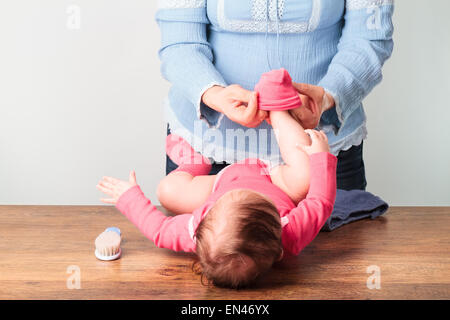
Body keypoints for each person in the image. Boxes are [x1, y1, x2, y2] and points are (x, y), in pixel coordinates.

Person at [156, 0, 394, 190]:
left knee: (339, 250)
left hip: (320, 151)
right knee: (207, 246)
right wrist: (216, 95)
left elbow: (368, 40)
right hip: (207, 153)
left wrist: (327, 97)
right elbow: (179, 42)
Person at [96, 109, 337, 288]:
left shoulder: (195, 231)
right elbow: (320, 202)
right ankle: (279, 110)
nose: (238, 192)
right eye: (250, 199)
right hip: (272, 178)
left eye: (225, 203)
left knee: (167, 191)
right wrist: (320, 157)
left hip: (221, 182)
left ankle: (193, 163)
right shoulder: (289, 232)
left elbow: (159, 230)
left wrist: (128, 198)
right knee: (305, 177)